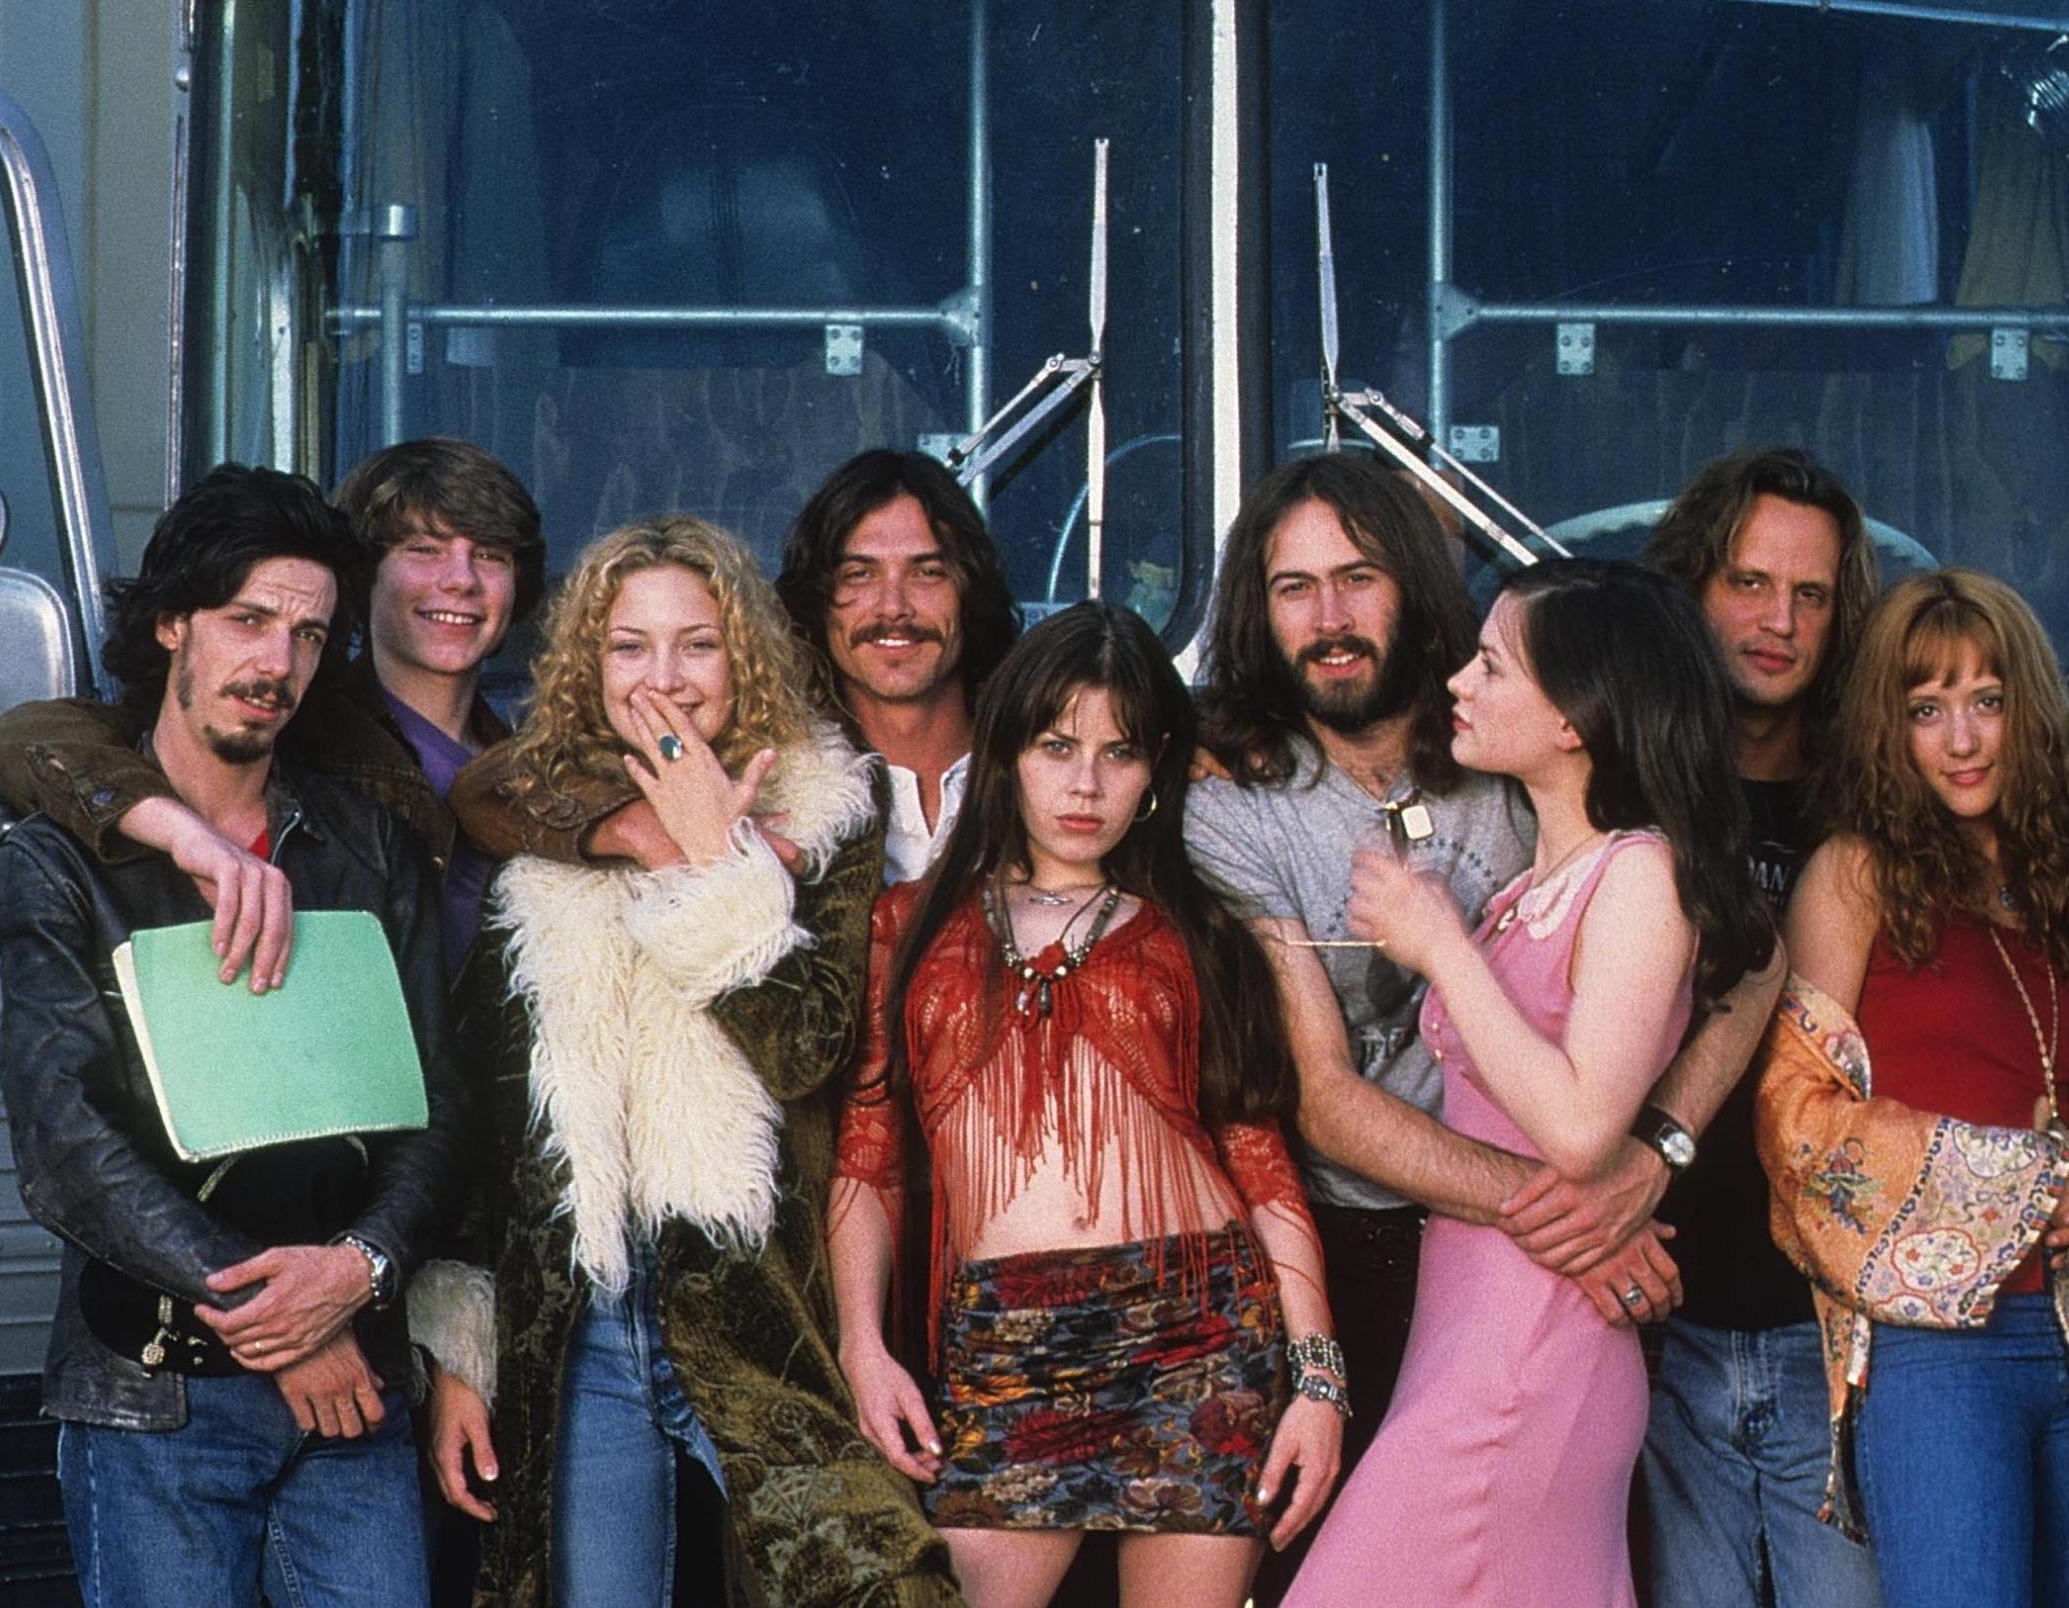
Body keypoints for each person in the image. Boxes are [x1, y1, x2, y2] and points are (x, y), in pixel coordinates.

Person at [1183, 456, 1782, 1596]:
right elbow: (1322, 1097)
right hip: (1375, 1250)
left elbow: (1751, 956)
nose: (1327, 617)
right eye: (1290, 587)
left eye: (1356, 577)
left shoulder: (1510, 778)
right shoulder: (1233, 803)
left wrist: (1646, 1161)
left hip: (1521, 1308)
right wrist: (1579, 1215)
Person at [410, 516, 960, 1608]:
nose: (663, 675)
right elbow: (492, 1117)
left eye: (695, 643)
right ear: (588, 661)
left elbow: (808, 1048)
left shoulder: (824, 805)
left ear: (741, 652)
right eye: (628, 646)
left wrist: (721, 864)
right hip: (586, 1319)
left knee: (883, 1588)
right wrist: (461, 1347)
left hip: (759, 1302)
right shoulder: (546, 804)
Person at [0, 465, 464, 1608]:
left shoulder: (362, 846)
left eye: (308, 635)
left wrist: (356, 1271)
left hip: (358, 1381)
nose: (276, 664)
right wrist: (283, 1323)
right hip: (158, 1397)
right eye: (247, 620)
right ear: (171, 625)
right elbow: (70, 1152)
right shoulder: (57, 864)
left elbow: (437, 1107)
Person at [829, 603, 1342, 1608]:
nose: (1084, 783)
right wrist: (862, 1345)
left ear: (1156, 774)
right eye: (1055, 745)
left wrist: (1317, 1382)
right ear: (1007, 750)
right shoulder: (908, 921)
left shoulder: (1198, 933)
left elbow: (1261, 1161)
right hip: (1007, 1335)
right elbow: (869, 1149)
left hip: (1197, 1328)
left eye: (1119, 753)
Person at [1758, 568, 2069, 1608]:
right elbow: (1798, 1129)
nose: (1962, 738)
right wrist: (2026, 1176)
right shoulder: (1852, 873)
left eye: (1987, 701)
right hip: (1936, 1353)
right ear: (1889, 728)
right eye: (1926, 709)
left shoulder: (2054, 873)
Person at [0, 437, 545, 983]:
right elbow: (32, 739)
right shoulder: (289, 720)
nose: (461, 579)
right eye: (425, 549)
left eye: (491, 555)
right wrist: (179, 829)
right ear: (366, 577)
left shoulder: (528, 759)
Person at [1637, 448, 1884, 1608]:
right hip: (1639, 1312)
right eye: (1746, 583)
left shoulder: (1878, 808)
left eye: (1810, 595)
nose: (1776, 620)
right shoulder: (1613, 787)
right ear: (1690, 587)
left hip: (1825, 1330)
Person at [454, 447, 1020, 886]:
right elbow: (490, 786)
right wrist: (642, 829)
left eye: (928, 573)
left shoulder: (1036, 751)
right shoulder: (773, 756)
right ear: (819, 597)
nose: (894, 607)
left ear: (969, 588)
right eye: (858, 576)